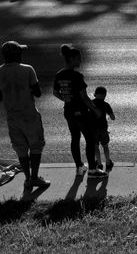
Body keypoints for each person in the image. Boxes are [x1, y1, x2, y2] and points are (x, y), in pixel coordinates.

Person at [0, 41, 50, 189]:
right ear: (18, 54)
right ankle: (35, 177)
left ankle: (28, 178)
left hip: (12, 116)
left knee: (20, 148)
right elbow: (38, 93)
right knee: (35, 146)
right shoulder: (28, 69)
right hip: (29, 114)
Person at [53, 44, 107, 178]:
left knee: (75, 138)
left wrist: (66, 99)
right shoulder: (77, 76)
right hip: (81, 112)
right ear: (71, 58)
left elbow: (55, 93)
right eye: (78, 58)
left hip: (68, 112)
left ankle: (79, 167)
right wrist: (95, 110)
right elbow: (84, 97)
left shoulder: (59, 74)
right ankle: (93, 170)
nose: (80, 61)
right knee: (90, 139)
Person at [92, 86, 115, 172]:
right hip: (103, 128)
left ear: (94, 94)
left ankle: (99, 163)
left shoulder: (90, 103)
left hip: (93, 129)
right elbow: (113, 117)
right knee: (105, 146)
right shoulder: (106, 105)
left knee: (95, 146)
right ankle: (108, 162)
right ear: (105, 95)